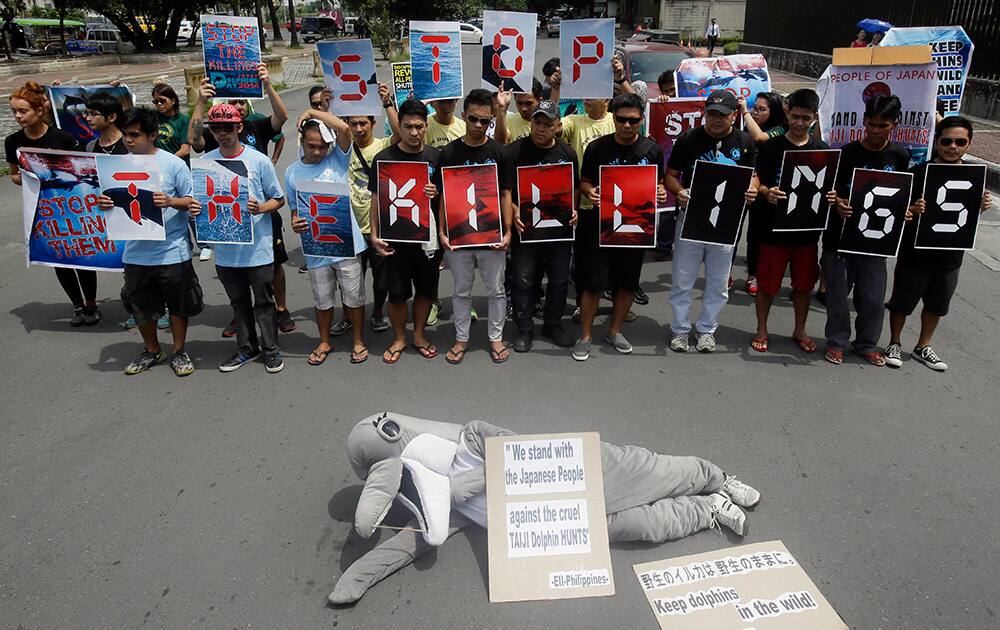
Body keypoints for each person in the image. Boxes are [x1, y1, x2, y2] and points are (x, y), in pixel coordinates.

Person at [188, 66, 297, 333]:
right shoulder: (215, 140)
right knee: (234, 270)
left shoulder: (257, 125)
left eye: (240, 102)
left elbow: (282, 117)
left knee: (273, 265)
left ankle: (280, 308)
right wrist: (201, 101)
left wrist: (268, 84)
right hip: (228, 213)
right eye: (218, 128)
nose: (223, 132)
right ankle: (241, 315)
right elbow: (193, 139)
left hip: (261, 211)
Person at [95, 107, 201, 375]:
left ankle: (179, 350)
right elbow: (106, 202)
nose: (129, 141)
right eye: (126, 135)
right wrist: (104, 202)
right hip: (135, 253)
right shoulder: (115, 165)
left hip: (171, 250)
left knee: (178, 305)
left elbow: (192, 201)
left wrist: (171, 201)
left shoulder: (173, 164)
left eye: (135, 135)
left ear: (153, 135)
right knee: (141, 307)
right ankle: (152, 350)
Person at [885, 117, 992, 371]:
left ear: (968, 144)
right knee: (902, 301)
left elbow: (965, 213)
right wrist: (911, 209)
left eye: (959, 141)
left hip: (951, 255)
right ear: (936, 142)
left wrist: (981, 208)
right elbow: (899, 210)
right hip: (916, 252)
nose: (952, 146)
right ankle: (895, 342)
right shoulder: (918, 173)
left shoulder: (974, 176)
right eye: (946, 141)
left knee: (938, 303)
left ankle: (924, 345)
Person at [574, 93, 667, 361]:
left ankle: (614, 331)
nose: (627, 125)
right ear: (613, 118)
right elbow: (584, 181)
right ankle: (586, 336)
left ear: (641, 120)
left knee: (627, 283)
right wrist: (589, 191)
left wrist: (660, 192)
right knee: (592, 284)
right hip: (599, 225)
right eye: (621, 120)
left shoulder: (652, 150)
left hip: (635, 227)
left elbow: (658, 184)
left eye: (633, 121)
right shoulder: (597, 148)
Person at [196, 104, 286, 374]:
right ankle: (247, 348)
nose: (222, 133)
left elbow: (278, 199)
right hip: (225, 250)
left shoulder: (258, 160)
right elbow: (199, 201)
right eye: (216, 128)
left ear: (239, 127)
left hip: (257, 248)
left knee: (264, 302)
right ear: (211, 130)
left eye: (228, 127)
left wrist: (260, 208)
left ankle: (271, 350)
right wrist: (194, 207)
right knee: (238, 303)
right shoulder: (205, 163)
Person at [666, 90, 758, 353]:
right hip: (691, 218)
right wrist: (678, 192)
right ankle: (680, 329)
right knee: (683, 279)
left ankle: (707, 329)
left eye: (723, 114)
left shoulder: (744, 141)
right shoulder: (687, 139)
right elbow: (671, 175)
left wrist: (753, 188)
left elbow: (755, 176)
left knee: (718, 283)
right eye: (712, 113)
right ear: (705, 114)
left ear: (734, 116)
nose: (717, 119)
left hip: (726, 223)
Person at [5, 81, 102, 327]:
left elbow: (84, 172)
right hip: (41, 208)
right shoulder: (13, 142)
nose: (18, 116)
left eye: (23, 111)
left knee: (81, 255)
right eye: (14, 111)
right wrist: (28, 177)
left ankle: (91, 304)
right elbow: (14, 176)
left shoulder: (63, 138)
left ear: (39, 110)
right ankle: (77, 306)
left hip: (71, 206)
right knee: (59, 258)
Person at [824, 94, 910, 367]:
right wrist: (838, 203)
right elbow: (831, 190)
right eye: (870, 124)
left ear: (894, 125)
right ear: (863, 121)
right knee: (837, 296)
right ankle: (836, 341)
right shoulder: (847, 153)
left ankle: (866, 344)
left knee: (873, 299)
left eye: (882, 125)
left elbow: (904, 194)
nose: (874, 131)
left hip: (875, 240)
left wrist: (906, 210)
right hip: (840, 237)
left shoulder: (900, 155)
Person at [285, 106, 370, 366]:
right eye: (312, 146)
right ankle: (324, 340)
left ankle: (358, 340)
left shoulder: (337, 158)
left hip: (347, 243)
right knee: (322, 299)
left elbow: (345, 129)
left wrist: (311, 111)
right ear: (302, 143)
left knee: (354, 297)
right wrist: (295, 223)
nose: (318, 151)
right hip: (316, 246)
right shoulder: (291, 172)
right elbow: (294, 209)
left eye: (322, 146)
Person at [752, 89, 833, 354]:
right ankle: (761, 329)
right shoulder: (770, 147)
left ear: (814, 118)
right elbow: (757, 180)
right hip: (773, 230)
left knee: (803, 286)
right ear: (787, 113)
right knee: (767, 285)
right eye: (795, 117)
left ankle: (800, 328)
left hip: (807, 233)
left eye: (806, 119)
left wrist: (832, 196)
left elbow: (829, 188)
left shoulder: (822, 150)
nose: (799, 123)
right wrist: (767, 192)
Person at [436, 88, 513, 365]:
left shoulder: (500, 153)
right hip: (460, 235)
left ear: (492, 119)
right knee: (461, 290)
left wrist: (508, 232)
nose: (479, 125)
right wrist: (442, 231)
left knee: (497, 291)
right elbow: (444, 195)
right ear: (464, 116)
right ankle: (461, 338)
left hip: (492, 235)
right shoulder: (448, 152)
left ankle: (495, 337)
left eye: (485, 120)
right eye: (473, 119)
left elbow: (506, 193)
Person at [368, 99, 444, 363]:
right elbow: (376, 199)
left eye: (419, 127)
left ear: (426, 127)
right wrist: (374, 235)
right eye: (408, 126)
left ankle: (419, 334)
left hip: (427, 240)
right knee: (397, 293)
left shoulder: (436, 157)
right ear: (397, 127)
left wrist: (436, 195)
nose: (413, 132)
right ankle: (399, 337)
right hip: (394, 240)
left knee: (425, 290)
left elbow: (447, 201)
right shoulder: (383, 159)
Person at [505, 100, 579, 352]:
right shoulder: (514, 152)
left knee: (558, 280)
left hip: (558, 231)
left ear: (558, 126)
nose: (541, 128)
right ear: (531, 122)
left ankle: (553, 324)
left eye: (548, 124)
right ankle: (524, 328)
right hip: (526, 229)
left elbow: (575, 189)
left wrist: (575, 210)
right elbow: (504, 191)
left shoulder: (567, 154)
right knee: (523, 279)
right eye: (537, 122)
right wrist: (513, 211)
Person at [334, 84, 401, 338]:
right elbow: (333, 129)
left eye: (363, 123)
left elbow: (400, 134)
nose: (359, 129)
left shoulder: (384, 146)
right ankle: (348, 317)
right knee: (349, 279)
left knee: (381, 278)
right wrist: (327, 106)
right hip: (349, 228)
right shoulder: (343, 150)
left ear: (373, 123)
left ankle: (376, 312)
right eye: (353, 124)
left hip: (378, 226)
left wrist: (387, 102)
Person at [736, 92, 788, 295]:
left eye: (761, 109)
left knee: (755, 236)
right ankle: (726, 275)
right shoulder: (743, 127)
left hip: (764, 188)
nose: (756, 112)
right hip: (742, 185)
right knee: (734, 231)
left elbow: (759, 138)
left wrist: (745, 112)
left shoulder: (780, 128)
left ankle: (752, 276)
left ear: (773, 112)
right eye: (754, 107)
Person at [494, 78, 543, 145]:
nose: (524, 108)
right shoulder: (509, 120)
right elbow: (500, 143)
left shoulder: (546, 122)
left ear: (540, 101)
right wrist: (502, 109)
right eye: (519, 103)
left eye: (528, 103)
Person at [151, 84, 189, 163]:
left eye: (162, 101)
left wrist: (167, 162)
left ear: (173, 101)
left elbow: (185, 150)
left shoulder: (183, 120)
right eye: (156, 101)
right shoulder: (152, 116)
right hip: (156, 165)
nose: (159, 104)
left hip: (177, 164)